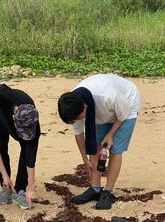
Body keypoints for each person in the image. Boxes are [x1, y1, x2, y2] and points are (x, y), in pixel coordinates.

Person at [58, 74, 141, 210]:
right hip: (103, 112)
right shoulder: (72, 104)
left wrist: (110, 135)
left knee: (115, 149)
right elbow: (79, 133)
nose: (77, 121)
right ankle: (95, 188)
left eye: (78, 118)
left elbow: (123, 114)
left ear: (85, 107)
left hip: (127, 105)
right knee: (95, 145)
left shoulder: (107, 95)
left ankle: (108, 192)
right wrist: (84, 158)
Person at [0, 84, 40, 210]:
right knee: (0, 148)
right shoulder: (3, 96)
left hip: (18, 121)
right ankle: (5, 187)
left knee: (26, 151)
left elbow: (31, 157)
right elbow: (0, 88)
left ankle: (20, 190)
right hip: (0, 119)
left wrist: (30, 186)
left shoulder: (32, 120)